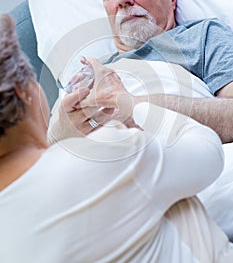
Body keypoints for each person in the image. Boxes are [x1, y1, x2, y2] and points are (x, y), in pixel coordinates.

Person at [1, 14, 233, 262]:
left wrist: (61, 142)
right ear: (23, 92)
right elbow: (208, 152)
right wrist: (128, 105)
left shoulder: (201, 35)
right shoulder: (109, 154)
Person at [51, 0, 233, 145]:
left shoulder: (202, 36)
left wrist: (131, 105)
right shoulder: (89, 71)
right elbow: (45, 156)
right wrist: (64, 131)